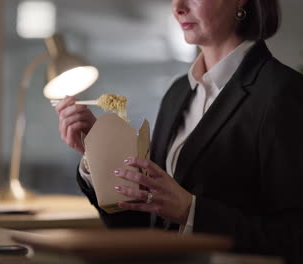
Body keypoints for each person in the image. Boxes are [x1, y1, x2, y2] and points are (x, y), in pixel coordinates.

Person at [55, 0, 303, 263]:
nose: (178, 7)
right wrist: (101, 154)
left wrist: (191, 211)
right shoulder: (178, 93)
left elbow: (295, 239)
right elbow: (145, 227)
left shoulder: (284, 94)